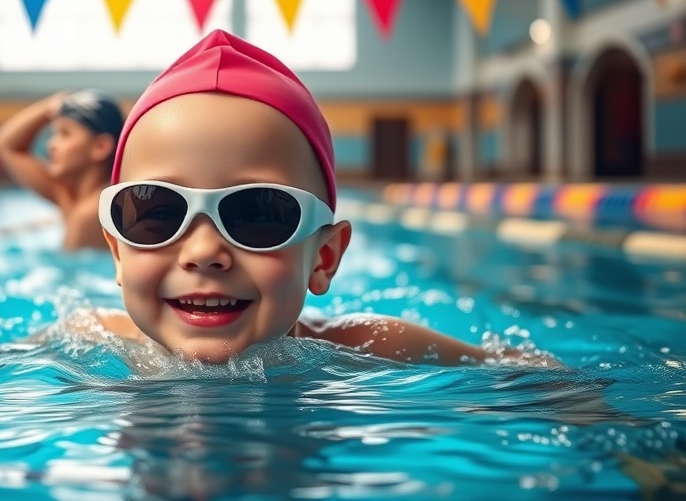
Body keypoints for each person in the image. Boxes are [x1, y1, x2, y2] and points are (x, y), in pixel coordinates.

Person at [89, 29, 558, 366]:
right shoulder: (90, 341)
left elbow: (529, 372)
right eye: (158, 212)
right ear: (117, 251)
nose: (204, 253)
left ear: (324, 256)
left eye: (258, 213)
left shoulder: (373, 348)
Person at [0, 89, 124, 251]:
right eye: (54, 133)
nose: (51, 144)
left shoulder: (91, 214)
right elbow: (5, 144)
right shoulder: (67, 194)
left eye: (65, 134)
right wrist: (49, 108)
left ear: (100, 146)